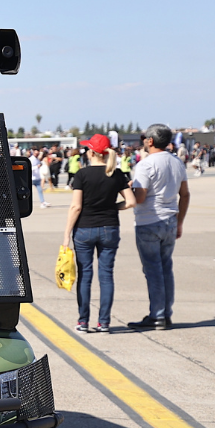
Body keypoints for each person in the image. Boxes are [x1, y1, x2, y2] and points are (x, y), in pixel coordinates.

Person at [63, 135, 134, 333]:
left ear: (92, 152)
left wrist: (66, 234)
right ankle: (104, 323)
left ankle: (83, 321)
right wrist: (112, 208)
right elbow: (131, 201)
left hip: (84, 229)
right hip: (109, 228)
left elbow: (76, 207)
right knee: (106, 275)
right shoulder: (117, 173)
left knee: (85, 275)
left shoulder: (82, 175)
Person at [128, 124, 190, 330]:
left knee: (153, 270)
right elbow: (185, 194)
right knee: (166, 268)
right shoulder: (176, 162)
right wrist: (179, 221)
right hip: (170, 219)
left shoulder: (146, 164)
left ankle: (157, 315)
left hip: (149, 220)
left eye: (145, 137)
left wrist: (129, 191)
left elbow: (141, 196)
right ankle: (166, 312)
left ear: (151, 141)